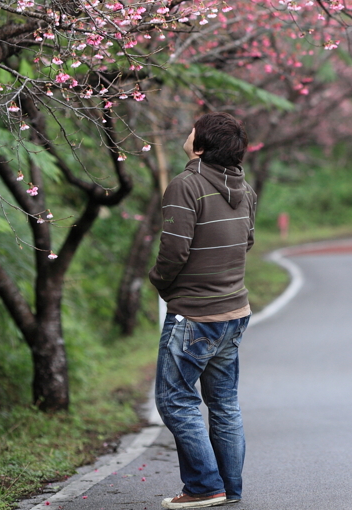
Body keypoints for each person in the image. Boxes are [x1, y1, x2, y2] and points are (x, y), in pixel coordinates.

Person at [150, 112, 257, 508]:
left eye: (193, 128)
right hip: (234, 311)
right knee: (224, 403)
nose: (188, 131)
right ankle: (228, 488)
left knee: (174, 400)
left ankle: (203, 486)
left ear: (199, 146)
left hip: (194, 314)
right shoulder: (244, 189)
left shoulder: (186, 185)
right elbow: (247, 242)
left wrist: (160, 283)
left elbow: (174, 251)